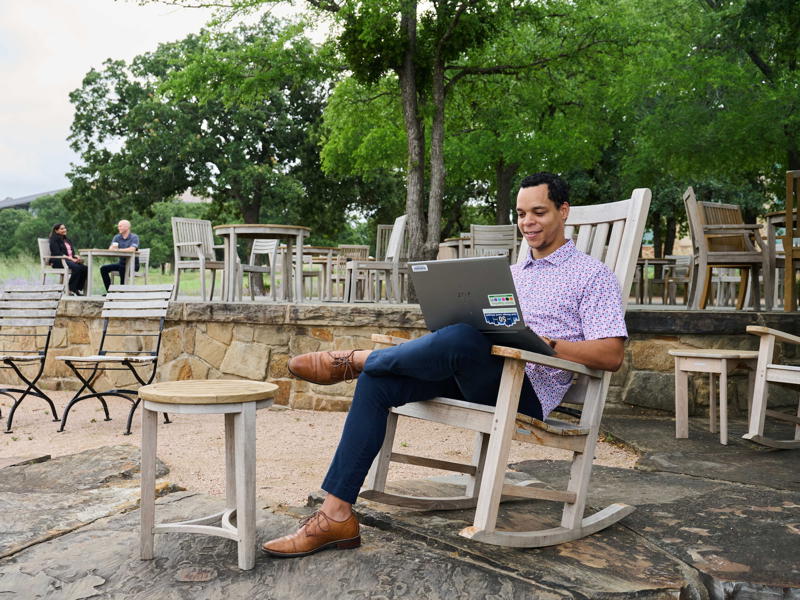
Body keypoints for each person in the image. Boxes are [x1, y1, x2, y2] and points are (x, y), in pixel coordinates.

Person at [261, 172, 628, 558]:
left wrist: (547, 343)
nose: (527, 223)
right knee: (379, 380)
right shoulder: (511, 274)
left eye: (538, 212)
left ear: (563, 211)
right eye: (520, 214)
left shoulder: (592, 276)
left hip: (525, 392)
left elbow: (611, 355)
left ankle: (354, 360)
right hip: (477, 372)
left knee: (458, 339)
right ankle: (336, 516)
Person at [48, 223, 88, 296]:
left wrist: (76, 257)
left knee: (84, 268)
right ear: (56, 231)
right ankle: (70, 289)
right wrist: (71, 259)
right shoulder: (54, 240)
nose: (64, 230)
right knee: (76, 268)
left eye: (64, 228)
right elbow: (57, 253)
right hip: (58, 261)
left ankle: (76, 288)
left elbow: (71, 253)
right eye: (62, 229)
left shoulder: (67, 240)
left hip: (68, 260)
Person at [100, 219, 140, 291]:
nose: (118, 228)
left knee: (122, 267)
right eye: (118, 226)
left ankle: (122, 292)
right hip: (121, 263)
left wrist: (118, 250)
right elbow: (110, 249)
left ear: (127, 227)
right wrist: (112, 248)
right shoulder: (117, 237)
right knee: (103, 269)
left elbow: (132, 249)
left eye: (120, 226)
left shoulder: (134, 237)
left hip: (133, 265)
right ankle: (110, 291)